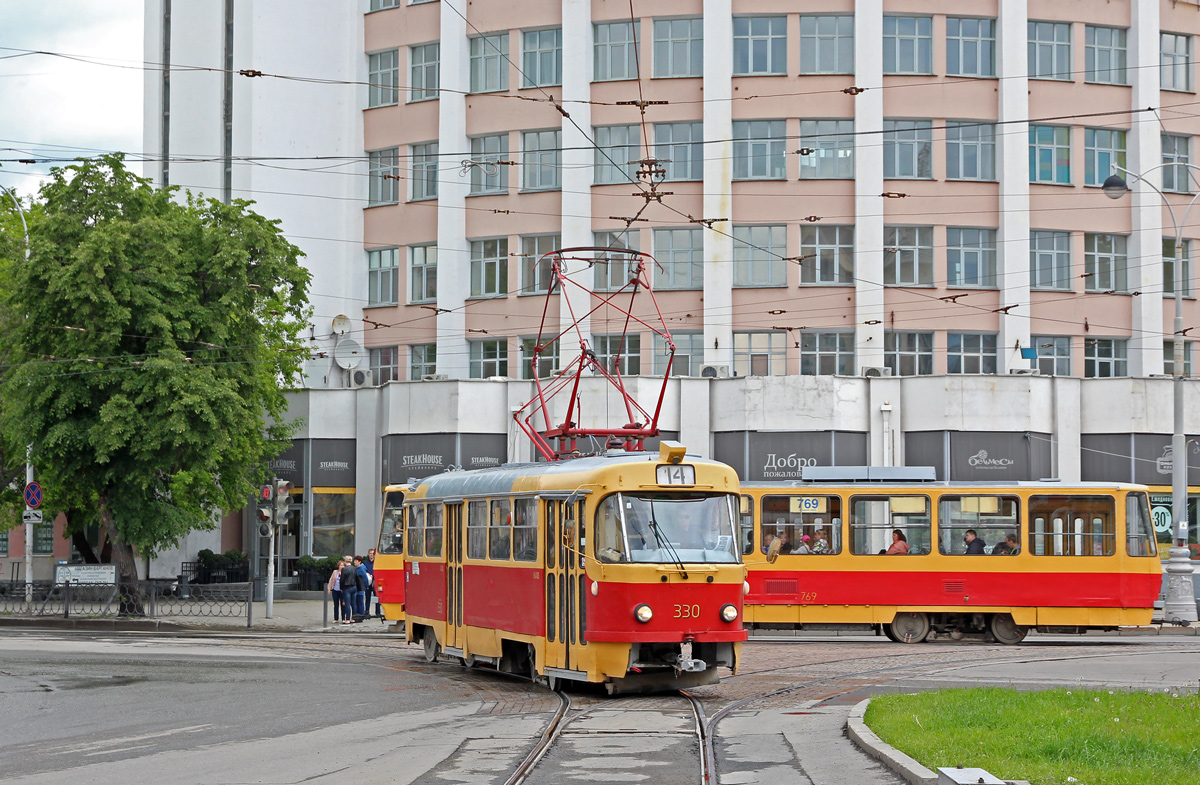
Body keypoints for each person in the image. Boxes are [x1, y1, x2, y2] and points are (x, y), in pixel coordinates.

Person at [339, 557, 357, 624]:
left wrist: (341, 588)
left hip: (347, 587)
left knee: (347, 604)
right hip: (354, 586)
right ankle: (354, 618)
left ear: (345, 561)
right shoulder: (355, 568)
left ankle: (347, 619)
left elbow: (342, 579)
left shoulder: (344, 569)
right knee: (354, 603)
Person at [364, 548, 381, 618]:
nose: (371, 555)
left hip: (375, 581)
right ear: (368, 554)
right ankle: (367, 612)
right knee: (367, 597)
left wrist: (373, 575)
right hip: (368, 581)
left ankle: (377, 612)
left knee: (377, 597)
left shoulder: (377, 562)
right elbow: (364, 570)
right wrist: (368, 574)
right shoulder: (365, 563)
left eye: (373, 553)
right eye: (370, 553)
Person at [328, 559, 345, 624]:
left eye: (343, 565)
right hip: (335, 590)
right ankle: (336, 618)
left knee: (343, 604)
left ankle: (343, 618)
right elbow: (331, 580)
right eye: (341, 565)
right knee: (336, 604)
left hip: (342, 591)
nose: (342, 566)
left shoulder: (345, 572)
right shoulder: (335, 572)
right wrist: (329, 589)